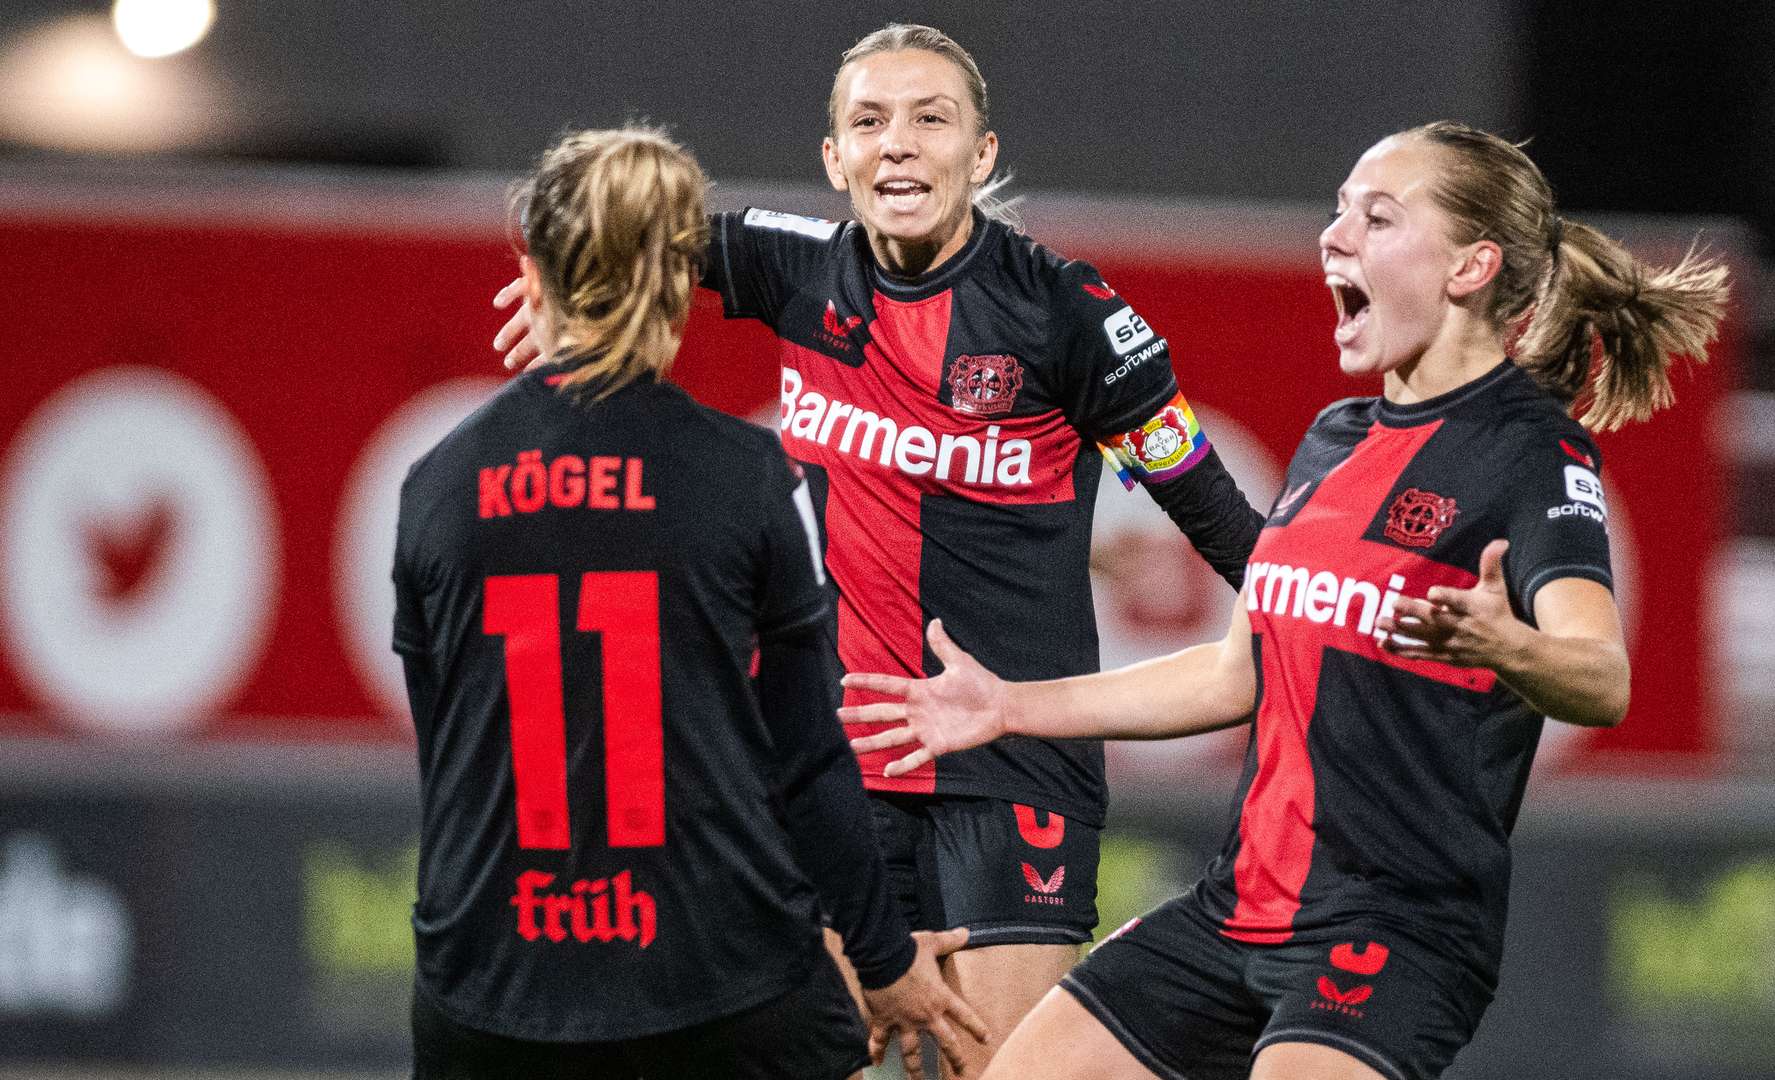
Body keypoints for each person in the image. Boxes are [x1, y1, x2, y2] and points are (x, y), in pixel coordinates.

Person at [838, 120, 1730, 1080]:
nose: (1334, 235)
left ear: (1471, 266)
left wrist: (1506, 645)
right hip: (1232, 915)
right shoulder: (1335, 437)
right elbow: (1238, 670)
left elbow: (1602, 679)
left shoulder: (1532, 452)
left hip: (1392, 933)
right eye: (1339, 209)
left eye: (1376, 216)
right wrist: (1009, 707)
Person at [489, 24, 1268, 1074]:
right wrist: (567, 293)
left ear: (980, 156)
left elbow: (1226, 524)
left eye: (929, 118)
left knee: (981, 1071)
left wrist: (1343, 646)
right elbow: (620, 224)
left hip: (1011, 768)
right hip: (837, 765)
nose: (898, 144)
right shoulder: (794, 266)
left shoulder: (1067, 316)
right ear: (834, 160)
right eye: (870, 122)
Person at [394, 125, 986, 1080]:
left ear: (532, 276)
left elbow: (449, 762)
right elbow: (805, 760)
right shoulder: (751, 479)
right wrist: (882, 960)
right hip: (717, 993)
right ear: (679, 290)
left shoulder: (435, 483)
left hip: (487, 996)